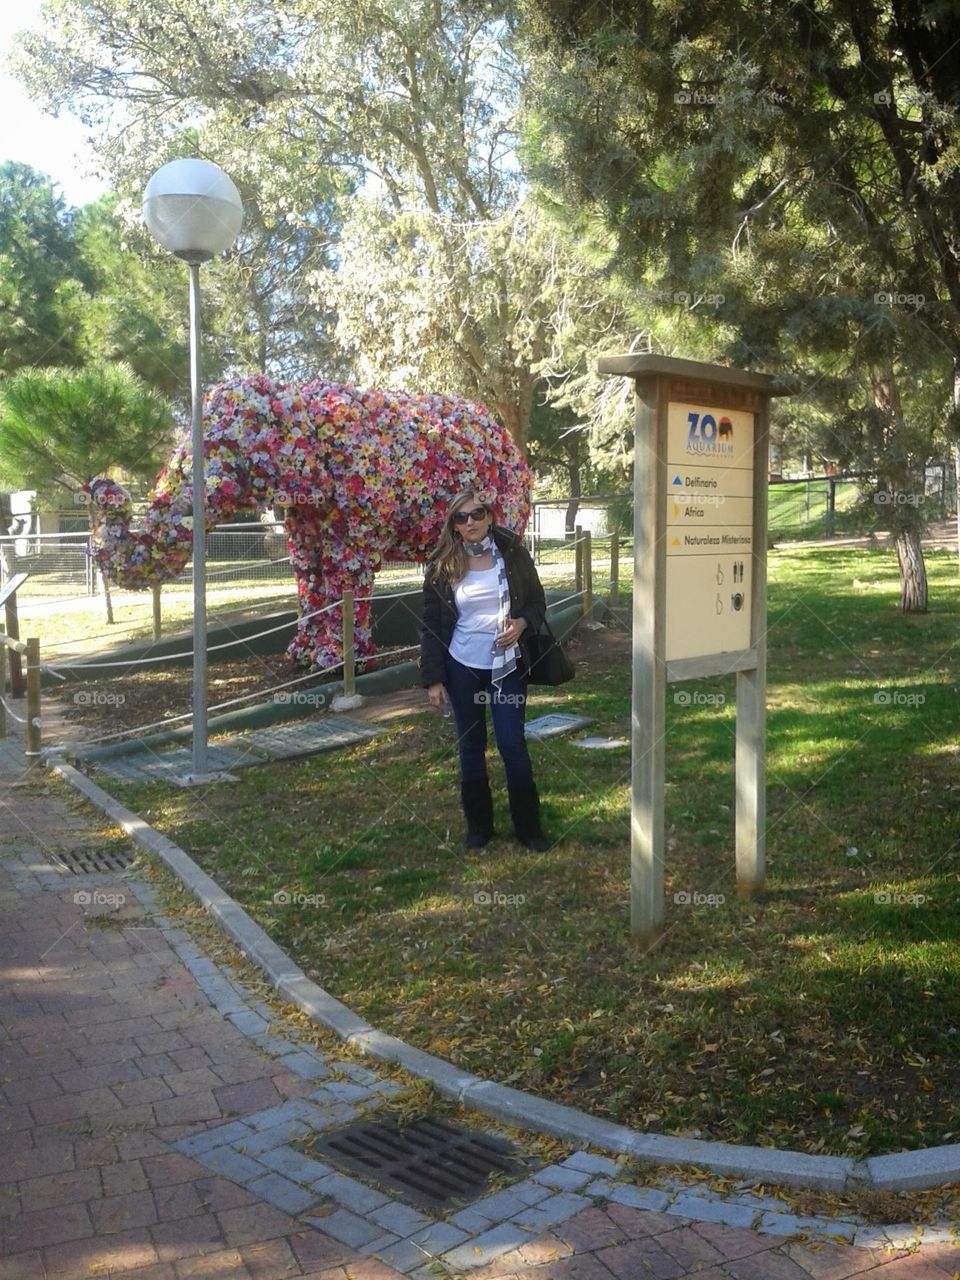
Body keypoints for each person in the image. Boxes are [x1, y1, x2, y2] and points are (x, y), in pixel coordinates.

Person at [420, 489, 550, 852]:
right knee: (470, 747)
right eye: (461, 518)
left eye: (476, 514)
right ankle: (479, 828)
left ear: (490, 516)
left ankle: (529, 828)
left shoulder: (512, 554)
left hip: (506, 666)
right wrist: (433, 678)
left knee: (511, 743)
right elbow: (431, 624)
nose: (470, 522)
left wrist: (522, 623)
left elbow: (538, 601)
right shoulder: (442, 563)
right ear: (454, 526)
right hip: (462, 666)